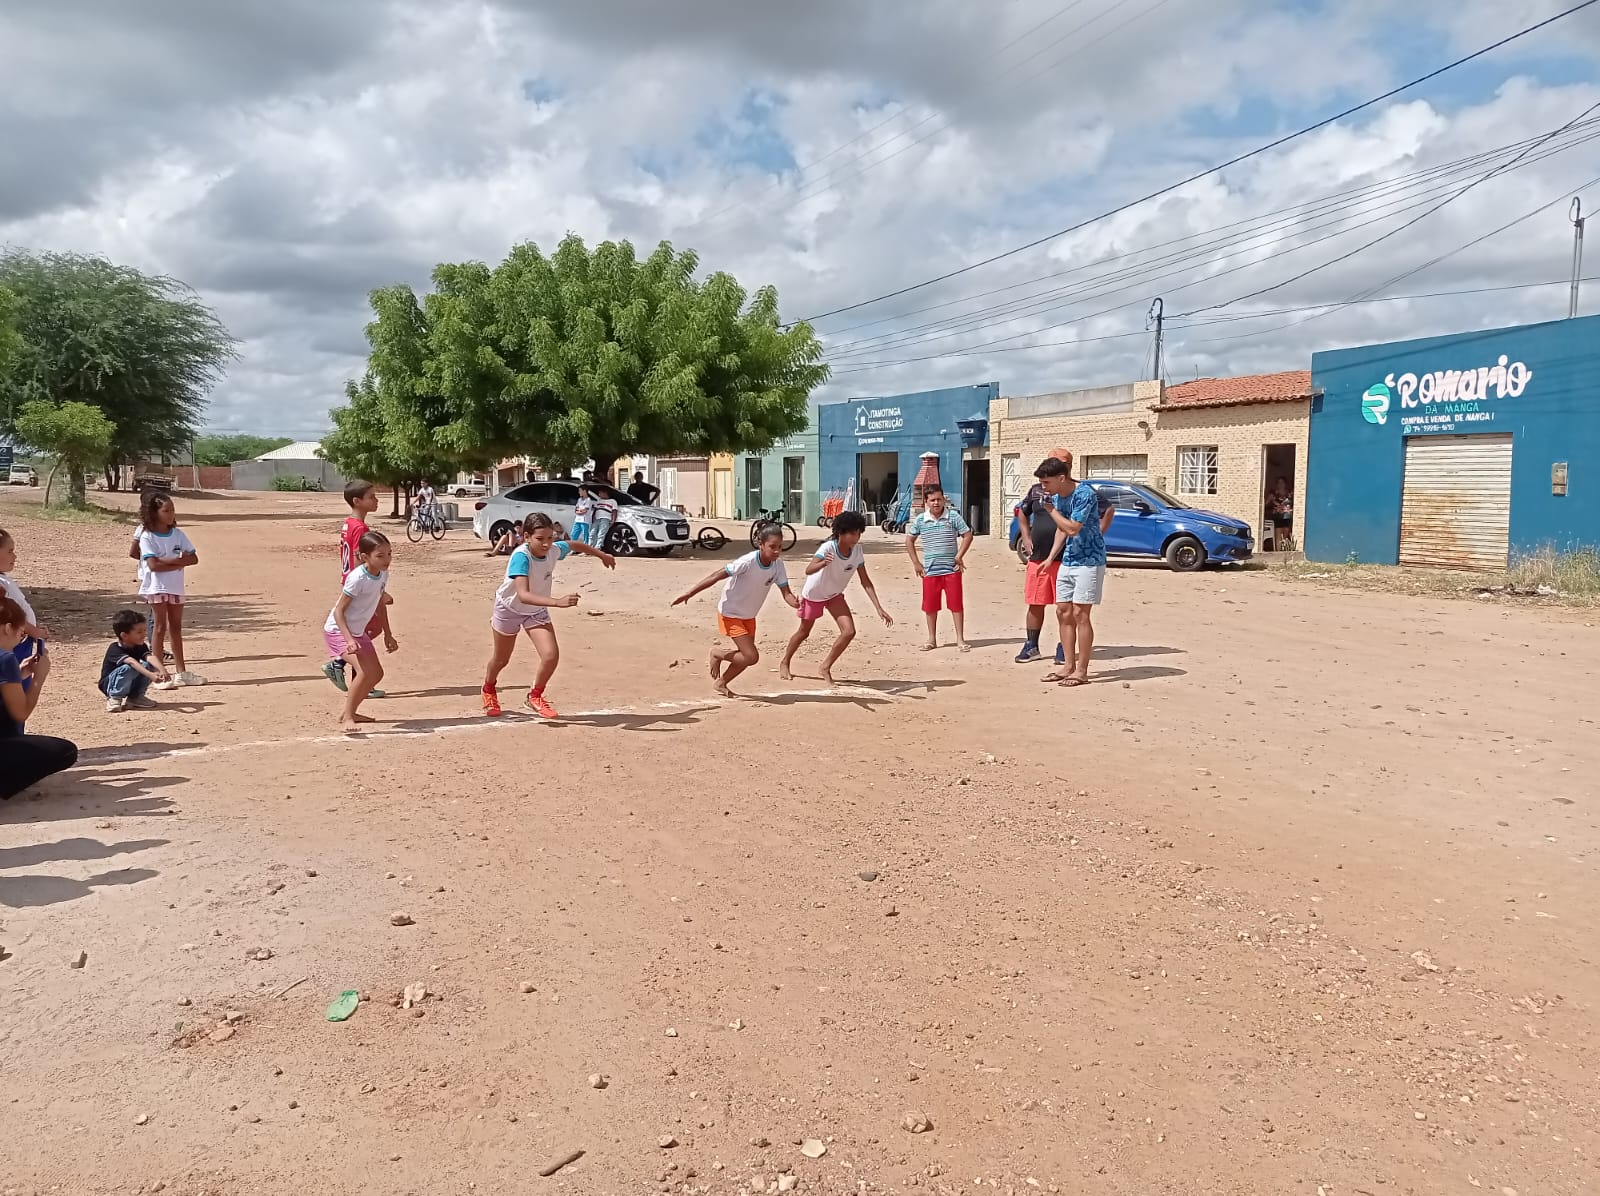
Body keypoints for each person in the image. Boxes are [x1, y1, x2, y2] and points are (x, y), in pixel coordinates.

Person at [481, 512, 616, 719]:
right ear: (526, 537)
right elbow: (524, 595)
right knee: (501, 659)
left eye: (550, 538)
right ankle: (489, 690)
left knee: (550, 656)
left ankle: (534, 696)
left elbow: (574, 545)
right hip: (509, 609)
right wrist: (557, 602)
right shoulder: (521, 557)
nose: (546, 544)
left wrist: (601, 555)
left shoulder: (553, 550)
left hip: (535, 611)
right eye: (540, 539)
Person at [673, 525, 797, 696]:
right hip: (730, 612)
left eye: (780, 547)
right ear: (761, 544)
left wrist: (796, 603)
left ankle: (721, 683)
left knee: (745, 657)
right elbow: (716, 575)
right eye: (772, 546)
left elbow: (787, 593)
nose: (777, 551)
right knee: (751, 657)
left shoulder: (778, 566)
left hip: (749, 615)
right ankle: (717, 654)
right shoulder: (747, 562)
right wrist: (690, 593)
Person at [779, 511, 892, 684]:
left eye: (859, 533)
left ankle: (825, 667)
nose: (857, 537)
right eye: (853, 533)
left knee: (849, 632)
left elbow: (865, 581)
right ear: (841, 532)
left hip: (834, 595)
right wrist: (824, 563)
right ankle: (785, 661)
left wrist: (879, 607)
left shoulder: (857, 551)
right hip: (814, 594)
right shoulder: (828, 548)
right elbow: (808, 570)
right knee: (803, 632)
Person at [1038, 455, 1116, 688]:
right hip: (1069, 560)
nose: (1044, 488)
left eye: (1047, 483)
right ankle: (1068, 666)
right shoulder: (1059, 497)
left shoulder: (1084, 494)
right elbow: (1061, 530)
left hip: (1090, 561)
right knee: (1063, 611)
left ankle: (1082, 670)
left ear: (1061, 478)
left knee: (1081, 614)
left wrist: (1050, 509)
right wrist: (1050, 558)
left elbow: (1072, 528)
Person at [1, 595, 77, 801]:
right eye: (21, 633)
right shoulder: (4, 658)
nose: (20, 638)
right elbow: (20, 713)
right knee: (65, 751)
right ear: (7, 628)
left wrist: (19, 674)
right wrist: (39, 678)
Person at [324, 530, 399, 729]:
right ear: (365, 557)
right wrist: (349, 639)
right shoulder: (357, 579)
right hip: (338, 630)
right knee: (365, 672)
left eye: (389, 554)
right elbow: (339, 611)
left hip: (357, 632)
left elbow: (379, 603)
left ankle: (351, 711)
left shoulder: (383, 574)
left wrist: (388, 634)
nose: (387, 560)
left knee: (376, 674)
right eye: (380, 555)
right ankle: (348, 716)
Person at [324, 480, 389, 695]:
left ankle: (357, 675)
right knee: (367, 628)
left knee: (367, 627)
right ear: (357, 501)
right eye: (371, 497)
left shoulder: (348, 524)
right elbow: (357, 557)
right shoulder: (360, 528)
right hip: (359, 583)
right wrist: (372, 581)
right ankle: (347, 668)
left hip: (351, 580)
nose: (376, 500)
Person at [137, 491, 204, 687]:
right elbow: (153, 566)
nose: (171, 514)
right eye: (166, 510)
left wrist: (168, 561)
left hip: (175, 586)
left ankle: (181, 672)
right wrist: (178, 562)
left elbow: (193, 558)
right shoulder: (147, 536)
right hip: (157, 587)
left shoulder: (178, 534)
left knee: (176, 627)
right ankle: (160, 673)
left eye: (172, 510)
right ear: (154, 512)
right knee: (159, 627)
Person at [1012, 450, 1074, 664]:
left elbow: (1105, 512)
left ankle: (1064, 647)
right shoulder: (1038, 489)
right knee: (1035, 602)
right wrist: (1026, 536)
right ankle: (1031, 646)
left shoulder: (1075, 491)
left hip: (1066, 559)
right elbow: (1022, 511)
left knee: (1065, 606)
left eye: (1063, 463)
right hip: (1038, 557)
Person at [904, 484, 973, 652]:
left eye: (939, 499)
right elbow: (909, 540)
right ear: (926, 502)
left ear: (944, 500)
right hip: (930, 571)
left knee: (956, 605)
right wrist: (916, 563)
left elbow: (968, 535)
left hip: (952, 570)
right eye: (932, 500)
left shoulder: (953, 517)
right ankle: (931, 639)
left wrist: (959, 556)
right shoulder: (921, 520)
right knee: (930, 606)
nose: (936, 503)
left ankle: (960, 639)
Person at [0, 527, 50, 705]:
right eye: (10, 551)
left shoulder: (3, 579)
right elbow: (9, 615)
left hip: (19, 640)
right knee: (15, 689)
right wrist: (34, 631)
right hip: (13, 643)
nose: (15, 556)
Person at [99, 609, 164, 713]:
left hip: (129, 680)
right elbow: (131, 662)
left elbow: (150, 657)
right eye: (139, 632)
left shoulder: (140, 645)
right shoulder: (115, 648)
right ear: (124, 635)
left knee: (149, 665)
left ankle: (136, 697)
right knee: (130, 668)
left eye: (144, 631)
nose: (143, 635)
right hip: (110, 684)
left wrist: (162, 670)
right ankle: (115, 697)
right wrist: (150, 675)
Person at [1266, 476, 1293, 550]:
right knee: (1278, 533)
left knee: (1286, 532)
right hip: (1277, 516)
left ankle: (1283, 548)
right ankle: (1278, 551)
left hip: (1287, 516)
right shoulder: (1273, 493)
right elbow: (1266, 503)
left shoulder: (1290, 493)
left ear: (1285, 484)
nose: (1280, 484)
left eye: (1282, 482)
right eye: (1279, 483)